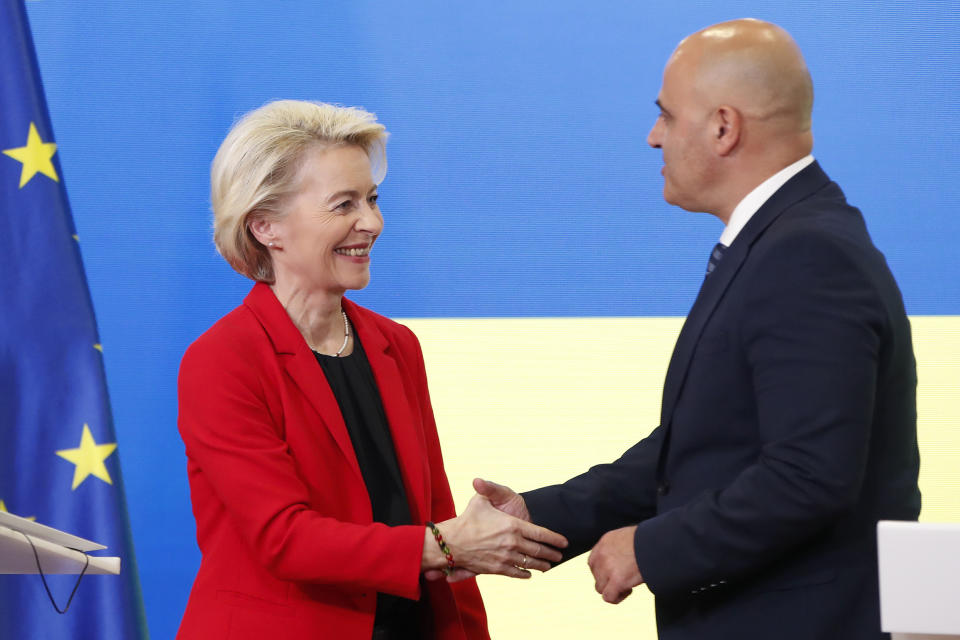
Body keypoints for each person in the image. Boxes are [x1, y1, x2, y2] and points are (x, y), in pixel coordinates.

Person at [472, 19, 920, 640]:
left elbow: (809, 476)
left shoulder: (807, 255)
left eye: (666, 116)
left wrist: (650, 550)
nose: (653, 137)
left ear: (722, 127)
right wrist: (540, 514)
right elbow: (703, 442)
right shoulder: (781, 241)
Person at [176, 100, 567, 640]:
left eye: (373, 199)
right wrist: (447, 544)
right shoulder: (224, 359)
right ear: (266, 226)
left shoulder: (395, 345)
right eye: (343, 205)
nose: (373, 222)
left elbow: (435, 514)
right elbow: (284, 539)